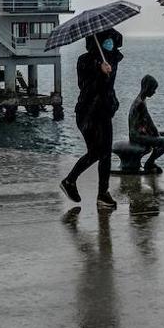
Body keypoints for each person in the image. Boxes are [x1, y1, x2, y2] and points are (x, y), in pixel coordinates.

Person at [61, 29, 123, 210]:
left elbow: (107, 88)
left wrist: (113, 100)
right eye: (106, 41)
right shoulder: (84, 61)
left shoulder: (111, 59)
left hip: (104, 111)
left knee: (105, 153)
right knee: (97, 151)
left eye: (111, 41)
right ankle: (70, 180)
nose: (110, 43)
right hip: (88, 112)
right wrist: (98, 68)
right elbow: (85, 87)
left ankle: (103, 193)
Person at [128, 75, 164, 173]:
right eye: (153, 89)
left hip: (138, 132)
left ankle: (151, 161)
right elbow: (150, 123)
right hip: (137, 136)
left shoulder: (140, 99)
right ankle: (150, 162)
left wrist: (157, 136)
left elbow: (145, 123)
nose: (154, 92)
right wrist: (157, 136)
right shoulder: (141, 103)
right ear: (147, 88)